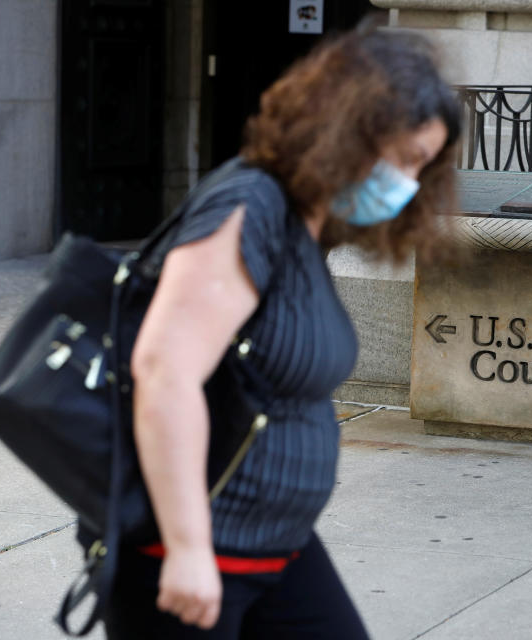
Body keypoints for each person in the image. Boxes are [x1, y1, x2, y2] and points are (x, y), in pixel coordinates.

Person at [97, 26, 460, 639]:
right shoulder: (247, 208)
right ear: (347, 125)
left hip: (275, 546)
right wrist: (188, 550)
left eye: (419, 167)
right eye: (402, 157)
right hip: (195, 553)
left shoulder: (303, 223)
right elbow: (165, 372)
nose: (404, 182)